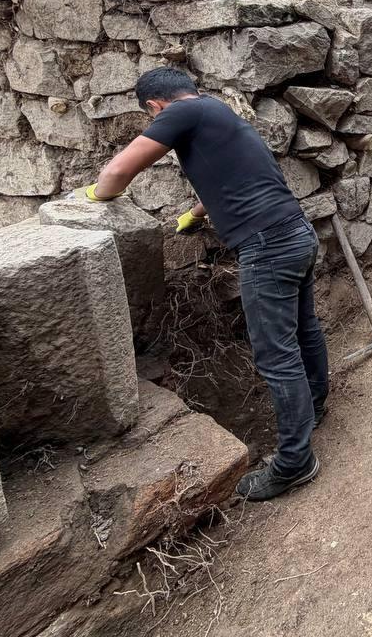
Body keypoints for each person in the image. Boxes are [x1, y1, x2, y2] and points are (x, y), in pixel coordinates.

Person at [84, 67, 327, 502]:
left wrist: (94, 196)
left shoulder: (178, 113)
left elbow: (117, 173)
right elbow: (227, 175)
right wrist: (196, 215)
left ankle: (295, 462)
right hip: (295, 232)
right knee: (304, 330)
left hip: (267, 247)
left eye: (153, 115)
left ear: (155, 106)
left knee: (276, 355)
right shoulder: (218, 111)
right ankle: (315, 406)